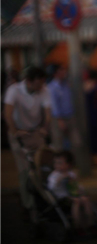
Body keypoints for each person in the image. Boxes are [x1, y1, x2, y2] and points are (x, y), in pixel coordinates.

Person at [3, 67, 51, 211]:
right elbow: (8, 113)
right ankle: (28, 204)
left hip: (35, 131)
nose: (41, 86)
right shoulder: (14, 90)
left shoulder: (44, 90)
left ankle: (45, 198)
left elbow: (47, 112)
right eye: (39, 82)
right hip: (19, 132)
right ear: (29, 81)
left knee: (43, 164)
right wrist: (15, 132)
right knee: (25, 169)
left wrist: (44, 128)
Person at [47, 151, 94, 229]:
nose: (57, 165)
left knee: (85, 199)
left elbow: (76, 185)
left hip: (72, 194)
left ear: (68, 165)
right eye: (55, 163)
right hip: (61, 197)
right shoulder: (54, 175)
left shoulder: (71, 174)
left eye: (60, 163)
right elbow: (51, 187)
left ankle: (90, 223)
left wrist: (80, 189)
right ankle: (77, 225)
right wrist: (59, 180)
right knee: (77, 201)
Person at [47, 65, 79, 151]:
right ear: (56, 73)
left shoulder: (66, 84)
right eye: (61, 70)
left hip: (70, 116)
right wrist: (59, 120)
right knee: (59, 143)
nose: (64, 73)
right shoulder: (51, 87)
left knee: (75, 143)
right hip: (59, 119)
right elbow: (54, 105)